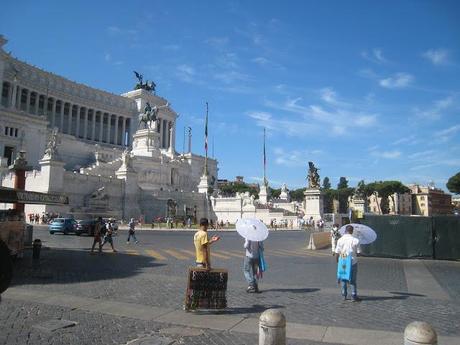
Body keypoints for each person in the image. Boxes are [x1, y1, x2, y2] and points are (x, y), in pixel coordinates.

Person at [335, 225, 361, 301]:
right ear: (352, 231)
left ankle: (344, 295)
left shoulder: (340, 240)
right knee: (353, 280)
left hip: (343, 261)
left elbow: (337, 252)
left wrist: (337, 261)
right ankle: (353, 295)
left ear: (345, 231)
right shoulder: (356, 240)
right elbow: (359, 253)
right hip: (353, 261)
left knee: (343, 278)